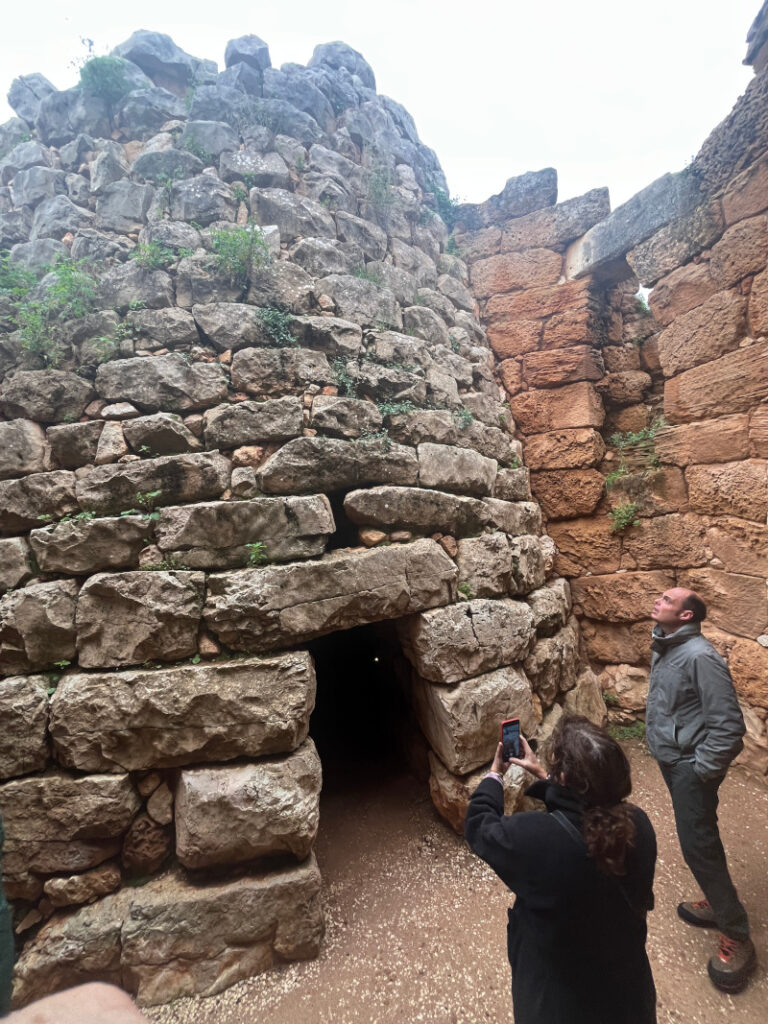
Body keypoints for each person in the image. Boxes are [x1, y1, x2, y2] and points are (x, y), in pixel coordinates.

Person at [465, 715, 657, 1024]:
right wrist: (543, 774)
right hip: (627, 996)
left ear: (565, 778)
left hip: (560, 1003)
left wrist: (495, 773)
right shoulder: (640, 826)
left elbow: (479, 825)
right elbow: (589, 816)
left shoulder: (537, 840)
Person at [646, 586, 756, 993]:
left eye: (668, 600)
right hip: (672, 760)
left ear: (687, 616)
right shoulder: (664, 645)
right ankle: (717, 899)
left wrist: (700, 770)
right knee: (699, 839)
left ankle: (736, 933)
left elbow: (729, 727)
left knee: (699, 846)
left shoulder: (700, 657)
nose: (659, 600)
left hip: (689, 767)